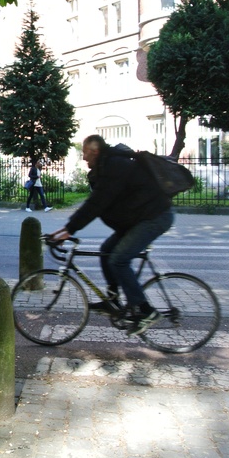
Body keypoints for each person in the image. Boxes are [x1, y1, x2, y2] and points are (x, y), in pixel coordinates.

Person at [50, 135, 174, 336]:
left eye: (85, 153)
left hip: (155, 217)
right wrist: (67, 229)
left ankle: (145, 311)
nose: (83, 158)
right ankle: (113, 300)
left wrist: (70, 230)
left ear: (95, 151)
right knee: (107, 250)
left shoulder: (115, 166)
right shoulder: (107, 166)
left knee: (119, 260)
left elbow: (97, 202)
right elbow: (97, 201)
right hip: (140, 217)